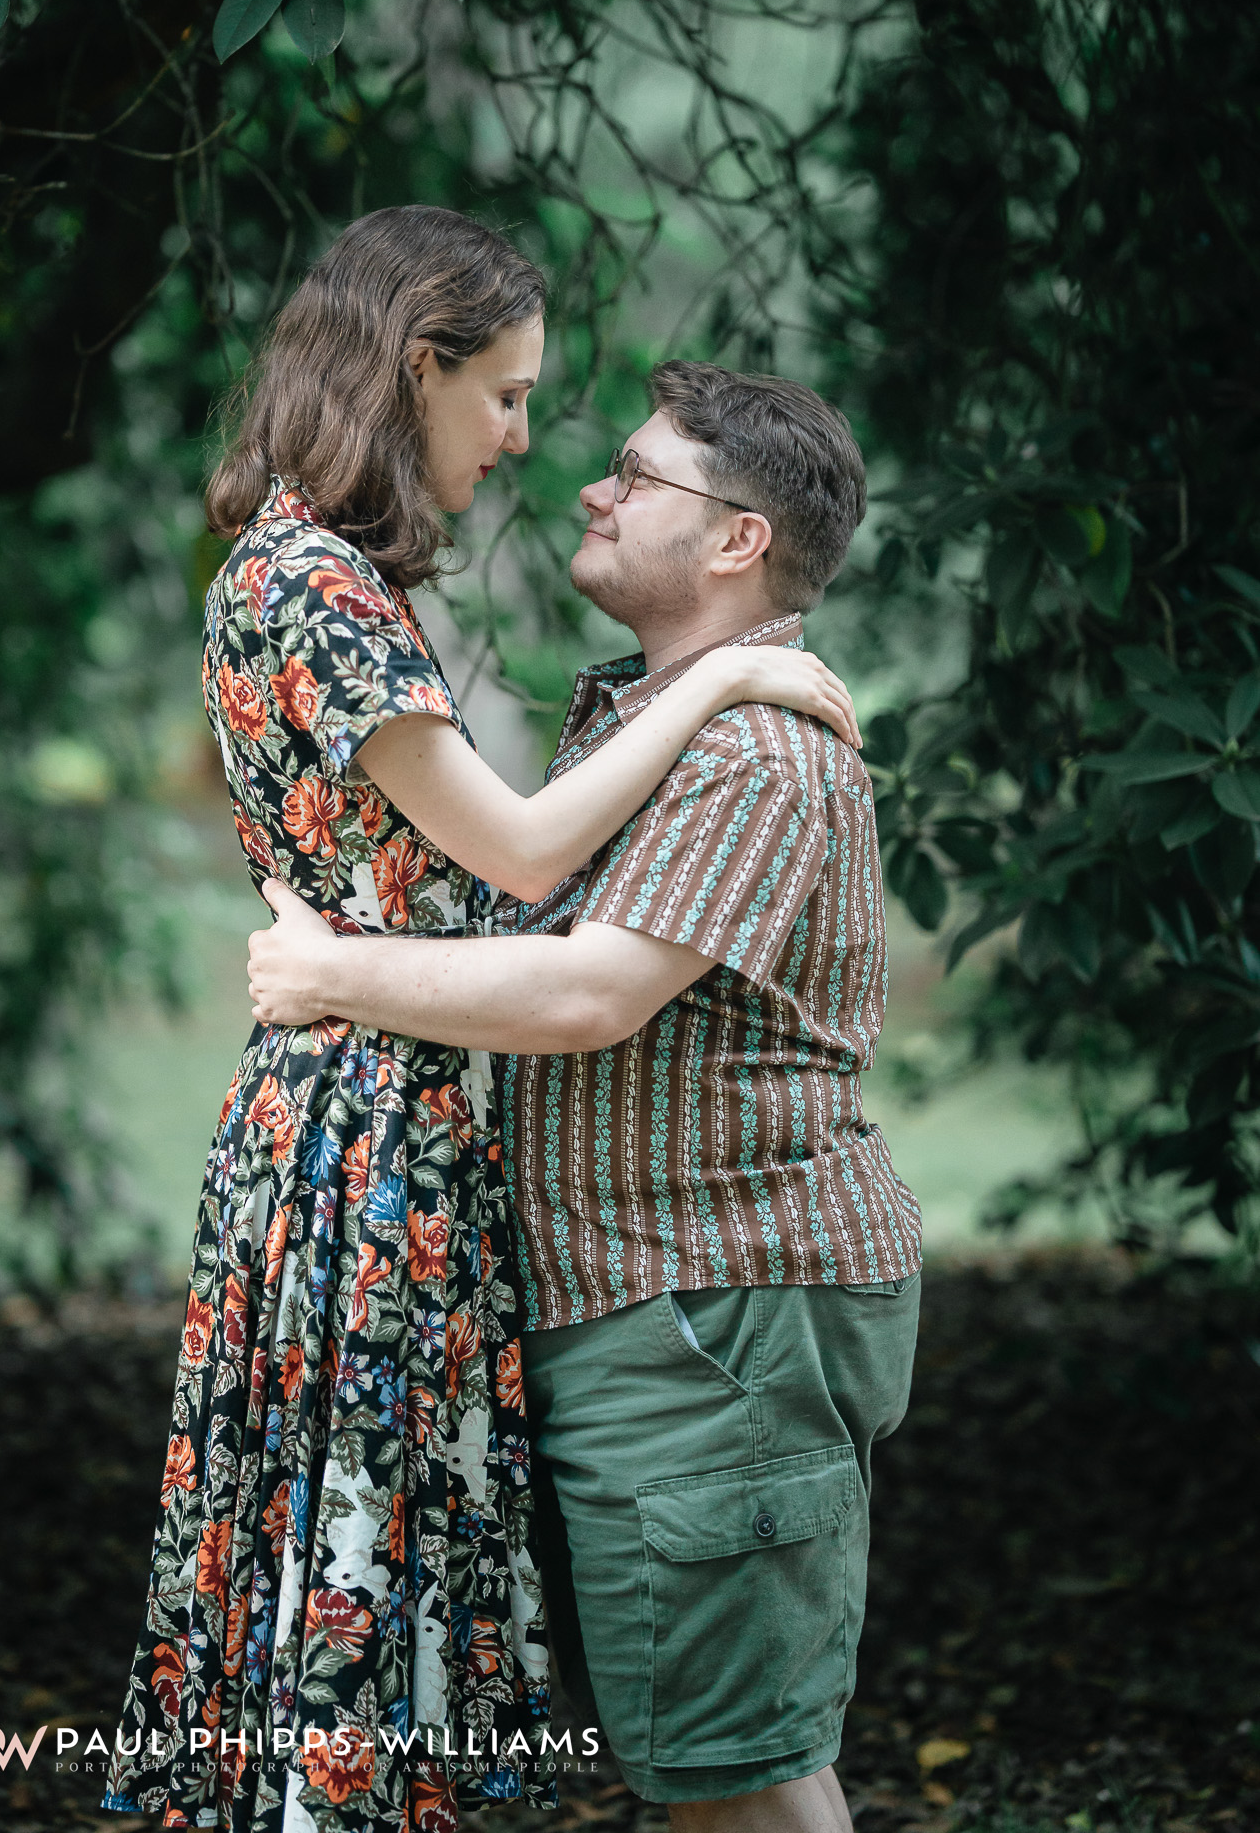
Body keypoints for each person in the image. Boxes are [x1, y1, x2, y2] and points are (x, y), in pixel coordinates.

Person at [102, 211, 863, 1833]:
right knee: (349, 1592)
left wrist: (334, 973)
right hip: (365, 1142)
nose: (532, 444)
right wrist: (722, 682)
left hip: (404, 1131)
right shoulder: (314, 586)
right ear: (416, 370)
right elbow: (520, 856)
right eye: (506, 396)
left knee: (363, 1598)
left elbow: (554, 946)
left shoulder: (317, 576)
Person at [245, 358, 924, 1833]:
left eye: (636, 474)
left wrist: (327, 975)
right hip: (666, 1309)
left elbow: (586, 996)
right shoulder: (662, 724)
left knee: (737, 1771)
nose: (590, 488)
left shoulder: (755, 750)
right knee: (713, 1755)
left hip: (715, 1310)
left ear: (738, 538)